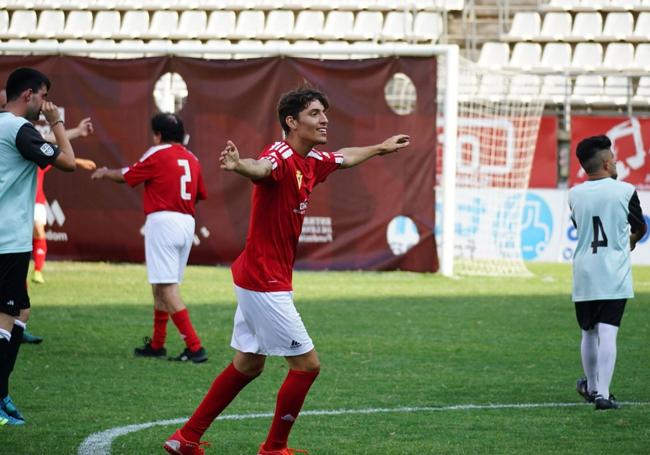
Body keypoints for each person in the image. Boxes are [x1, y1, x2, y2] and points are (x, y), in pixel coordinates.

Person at [163, 87, 410, 455]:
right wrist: (240, 165)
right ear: (291, 122)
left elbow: (344, 157)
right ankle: (274, 448)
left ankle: (186, 438)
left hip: (259, 277)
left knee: (248, 364)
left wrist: (379, 148)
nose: (324, 119)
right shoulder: (280, 155)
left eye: (324, 112)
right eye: (314, 113)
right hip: (264, 281)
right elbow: (261, 167)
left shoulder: (311, 161)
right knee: (307, 366)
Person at [91, 113, 208, 364]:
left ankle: (195, 347)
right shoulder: (193, 158)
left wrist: (104, 172)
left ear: (157, 135)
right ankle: (157, 344)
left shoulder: (156, 153)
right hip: (187, 221)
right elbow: (199, 194)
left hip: (163, 221)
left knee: (166, 288)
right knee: (161, 285)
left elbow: (127, 175)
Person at [0, 67, 77, 425]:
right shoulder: (18, 129)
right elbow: (68, 162)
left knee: (20, 314)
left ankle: (2, 393)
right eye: (44, 96)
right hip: (7, 240)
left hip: (10, 238)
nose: (47, 103)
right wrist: (58, 122)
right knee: (7, 317)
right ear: (29, 95)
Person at [570, 135, 646, 411]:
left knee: (587, 333)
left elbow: (579, 225)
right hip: (613, 271)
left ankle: (590, 387)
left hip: (584, 271)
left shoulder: (574, 194)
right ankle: (603, 394)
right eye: (612, 156)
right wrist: (632, 240)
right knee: (608, 333)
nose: (615, 160)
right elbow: (640, 226)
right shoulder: (624, 191)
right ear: (604, 163)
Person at [32, 117, 96, 286]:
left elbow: (55, 151)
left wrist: (80, 158)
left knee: (39, 230)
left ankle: (37, 271)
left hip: (35, 201)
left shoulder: (37, 155)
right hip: (14, 204)